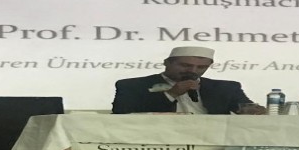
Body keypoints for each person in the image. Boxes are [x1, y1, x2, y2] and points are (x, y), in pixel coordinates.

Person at [111, 46, 260, 114]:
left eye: (201, 67)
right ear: (167, 63)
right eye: (185, 65)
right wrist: (171, 94)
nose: (193, 71)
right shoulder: (131, 85)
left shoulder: (227, 88)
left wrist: (253, 110)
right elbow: (121, 111)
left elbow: (245, 109)